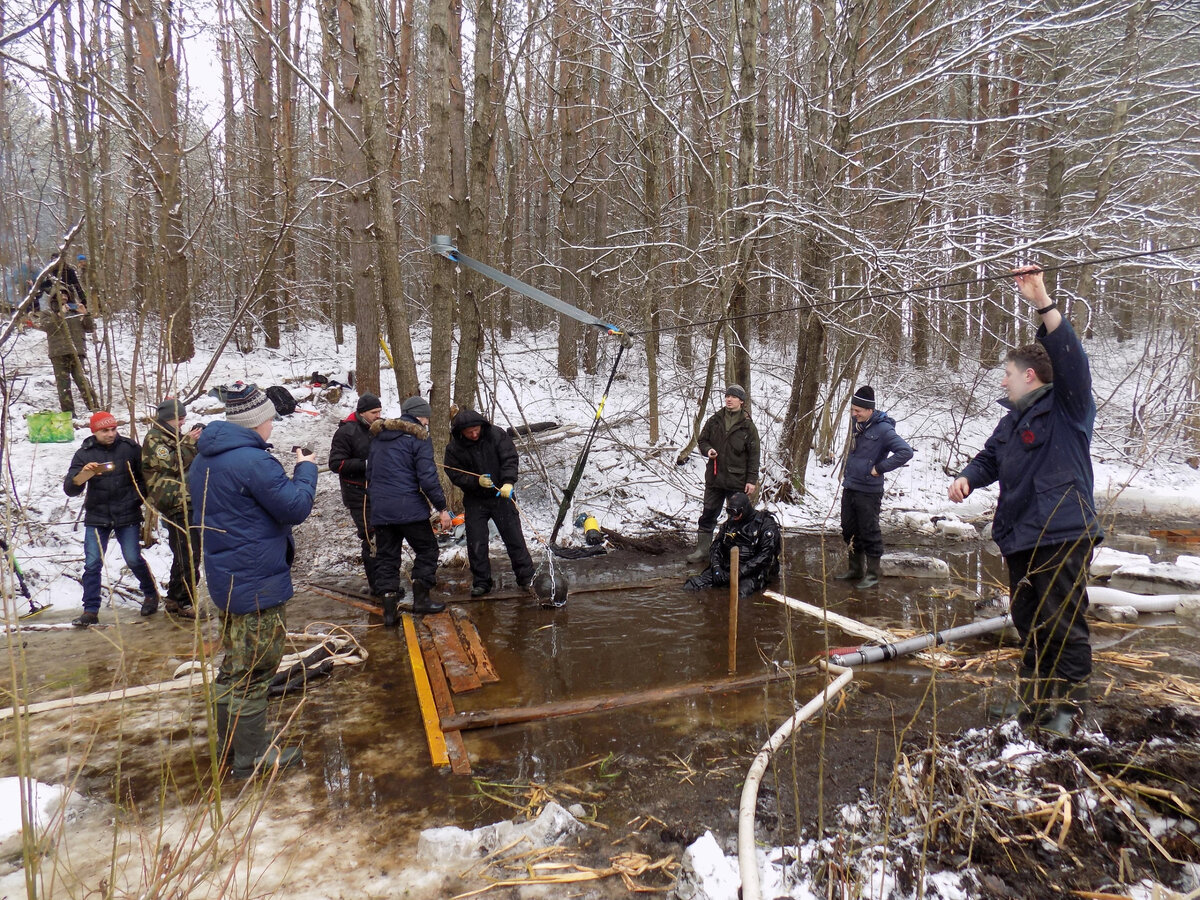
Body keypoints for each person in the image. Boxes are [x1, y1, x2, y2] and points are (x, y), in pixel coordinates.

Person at [948, 266, 1103, 736]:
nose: (1002, 382)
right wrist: (969, 478)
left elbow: (1072, 362)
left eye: (1007, 375)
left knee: (1063, 621)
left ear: (1030, 375)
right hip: (1019, 537)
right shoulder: (1012, 420)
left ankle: (1069, 711)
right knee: (1030, 623)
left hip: (1059, 532)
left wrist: (1043, 303)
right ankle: (1034, 704)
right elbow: (991, 457)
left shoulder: (1068, 407)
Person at [189, 384, 317, 778]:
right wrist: (306, 468)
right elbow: (295, 507)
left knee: (235, 665)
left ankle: (231, 746)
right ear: (259, 420)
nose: (273, 423)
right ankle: (250, 756)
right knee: (256, 670)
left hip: (227, 578)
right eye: (271, 417)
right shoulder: (252, 461)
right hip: (256, 581)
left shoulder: (204, 459)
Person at [63, 411, 159, 627]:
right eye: (105, 430)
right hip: (97, 515)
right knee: (92, 563)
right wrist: (84, 474)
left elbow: (146, 477)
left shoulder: (130, 448)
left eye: (113, 429)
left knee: (133, 558)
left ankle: (151, 594)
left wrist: (138, 498)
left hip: (127, 512)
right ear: (94, 432)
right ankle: (90, 610)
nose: (110, 434)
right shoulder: (84, 454)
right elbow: (70, 489)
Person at [368, 395, 452, 624]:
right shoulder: (419, 437)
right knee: (427, 550)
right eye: (426, 418)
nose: (427, 423)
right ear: (418, 416)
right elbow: (427, 478)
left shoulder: (378, 437)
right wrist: (442, 508)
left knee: (386, 557)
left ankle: (388, 611)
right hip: (409, 509)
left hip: (382, 509)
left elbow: (371, 474)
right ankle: (422, 600)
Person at [443, 409, 536, 597]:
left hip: (501, 496)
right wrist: (475, 482)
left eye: (476, 430)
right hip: (475, 499)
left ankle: (526, 578)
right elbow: (454, 474)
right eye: (470, 432)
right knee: (477, 541)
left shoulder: (496, 435)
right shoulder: (454, 448)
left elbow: (510, 458)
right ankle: (481, 581)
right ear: (461, 432)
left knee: (514, 538)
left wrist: (508, 482)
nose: (474, 434)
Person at [835, 386, 914, 589]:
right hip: (851, 484)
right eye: (852, 410)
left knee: (869, 530)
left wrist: (879, 468)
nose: (854, 414)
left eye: (858, 411)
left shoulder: (884, 430)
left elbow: (905, 452)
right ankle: (855, 569)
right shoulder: (857, 423)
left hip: (869, 490)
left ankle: (872, 574)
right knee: (849, 529)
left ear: (870, 410)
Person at [141, 398, 203, 618]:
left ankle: (175, 598)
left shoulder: (172, 436)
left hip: (185, 499)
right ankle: (185, 602)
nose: (183, 422)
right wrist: (188, 443)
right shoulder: (156, 438)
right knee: (188, 552)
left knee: (186, 552)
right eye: (180, 418)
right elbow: (172, 464)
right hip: (173, 499)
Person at [688, 385, 761, 563]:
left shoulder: (748, 426)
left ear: (741, 401)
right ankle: (702, 551)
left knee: (737, 518)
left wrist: (751, 480)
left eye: (733, 397)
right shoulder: (715, 420)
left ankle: (734, 554)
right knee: (708, 513)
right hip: (714, 478)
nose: (729, 399)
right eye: (727, 396)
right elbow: (702, 440)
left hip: (737, 480)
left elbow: (754, 455)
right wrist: (708, 450)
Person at [329, 393, 384, 594]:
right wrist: (366, 465)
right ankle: (377, 587)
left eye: (380, 411)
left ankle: (386, 584)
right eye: (374, 412)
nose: (378, 415)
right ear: (362, 413)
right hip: (358, 493)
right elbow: (336, 464)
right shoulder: (346, 432)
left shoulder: (380, 427)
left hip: (380, 490)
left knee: (386, 535)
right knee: (372, 538)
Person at [683, 492, 781, 598]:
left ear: (745, 509)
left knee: (740, 596)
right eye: (730, 512)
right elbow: (716, 546)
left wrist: (737, 573)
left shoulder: (765, 525)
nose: (734, 516)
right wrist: (716, 567)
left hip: (751, 572)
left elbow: (765, 556)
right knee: (691, 585)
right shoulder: (730, 523)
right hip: (726, 568)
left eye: (736, 512)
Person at [34, 282, 98, 414]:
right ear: (53, 297)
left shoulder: (75, 311)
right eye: (60, 294)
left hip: (77, 351)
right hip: (59, 353)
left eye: (65, 294)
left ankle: (95, 410)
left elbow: (90, 328)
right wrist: (59, 315)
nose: (63, 296)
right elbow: (47, 328)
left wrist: (85, 314)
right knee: (64, 386)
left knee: (83, 382)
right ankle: (69, 415)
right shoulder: (48, 313)